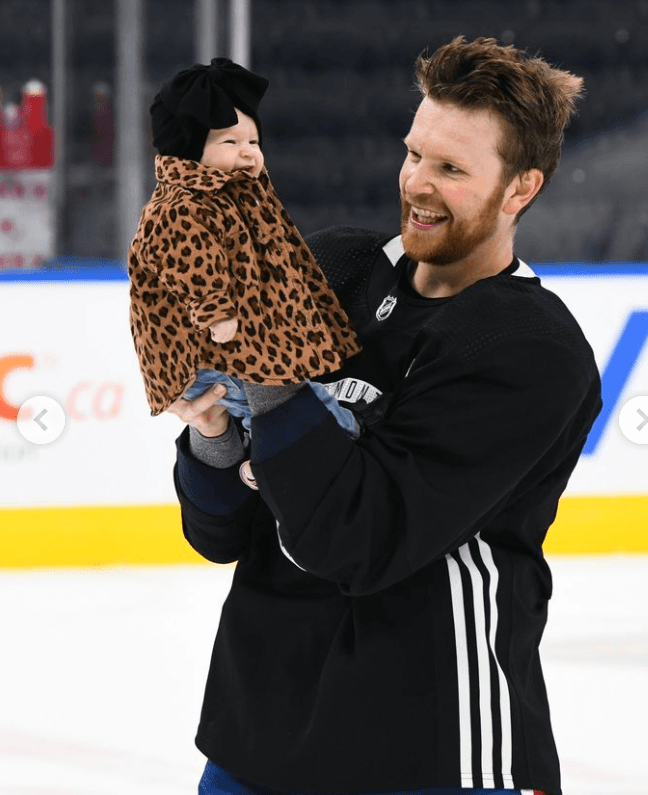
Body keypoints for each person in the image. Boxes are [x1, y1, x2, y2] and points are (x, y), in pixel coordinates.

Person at [167, 37, 602, 795]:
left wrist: (271, 381)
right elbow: (222, 534)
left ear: (520, 188)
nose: (418, 185)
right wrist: (210, 435)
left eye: (452, 169)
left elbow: (358, 542)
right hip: (257, 730)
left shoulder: (529, 348)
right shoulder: (337, 266)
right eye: (414, 154)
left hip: (429, 744)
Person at [127, 57, 361, 437]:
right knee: (293, 409)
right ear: (189, 152)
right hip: (206, 353)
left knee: (286, 404)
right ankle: (334, 444)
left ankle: (276, 457)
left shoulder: (239, 195)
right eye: (231, 142)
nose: (249, 151)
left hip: (237, 348)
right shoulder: (182, 206)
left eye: (254, 141)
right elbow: (188, 261)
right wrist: (215, 311)